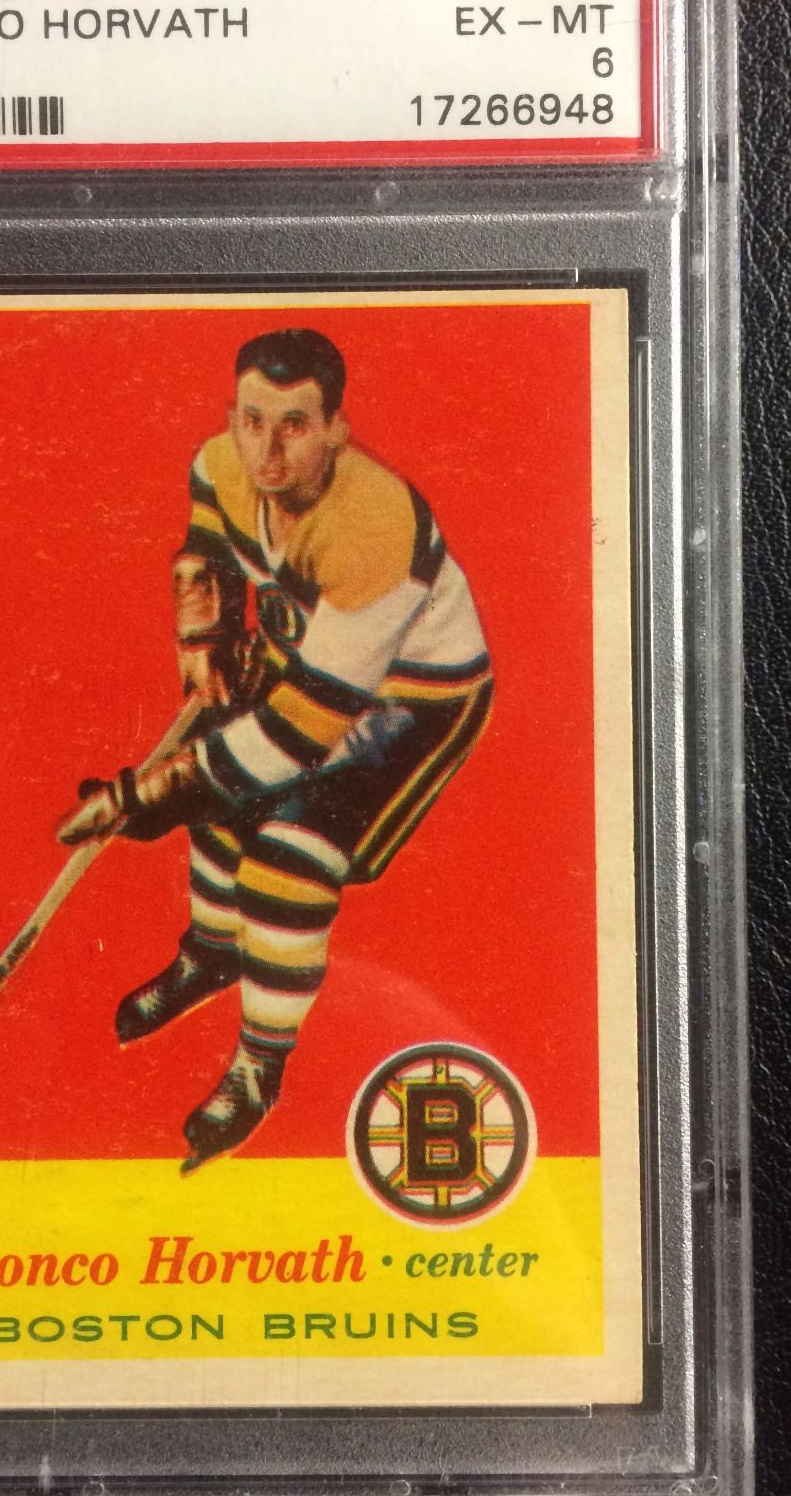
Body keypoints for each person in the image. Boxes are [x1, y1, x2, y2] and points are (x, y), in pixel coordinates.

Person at [62, 327, 493, 1171]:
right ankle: (214, 952)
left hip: (409, 698)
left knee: (286, 858)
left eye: (294, 425)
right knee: (220, 801)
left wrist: (141, 797)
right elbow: (206, 533)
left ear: (336, 428)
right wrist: (205, 629)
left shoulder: (374, 526)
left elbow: (299, 733)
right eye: (251, 420)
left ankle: (260, 1066)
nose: (265, 450)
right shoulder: (223, 459)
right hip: (311, 664)